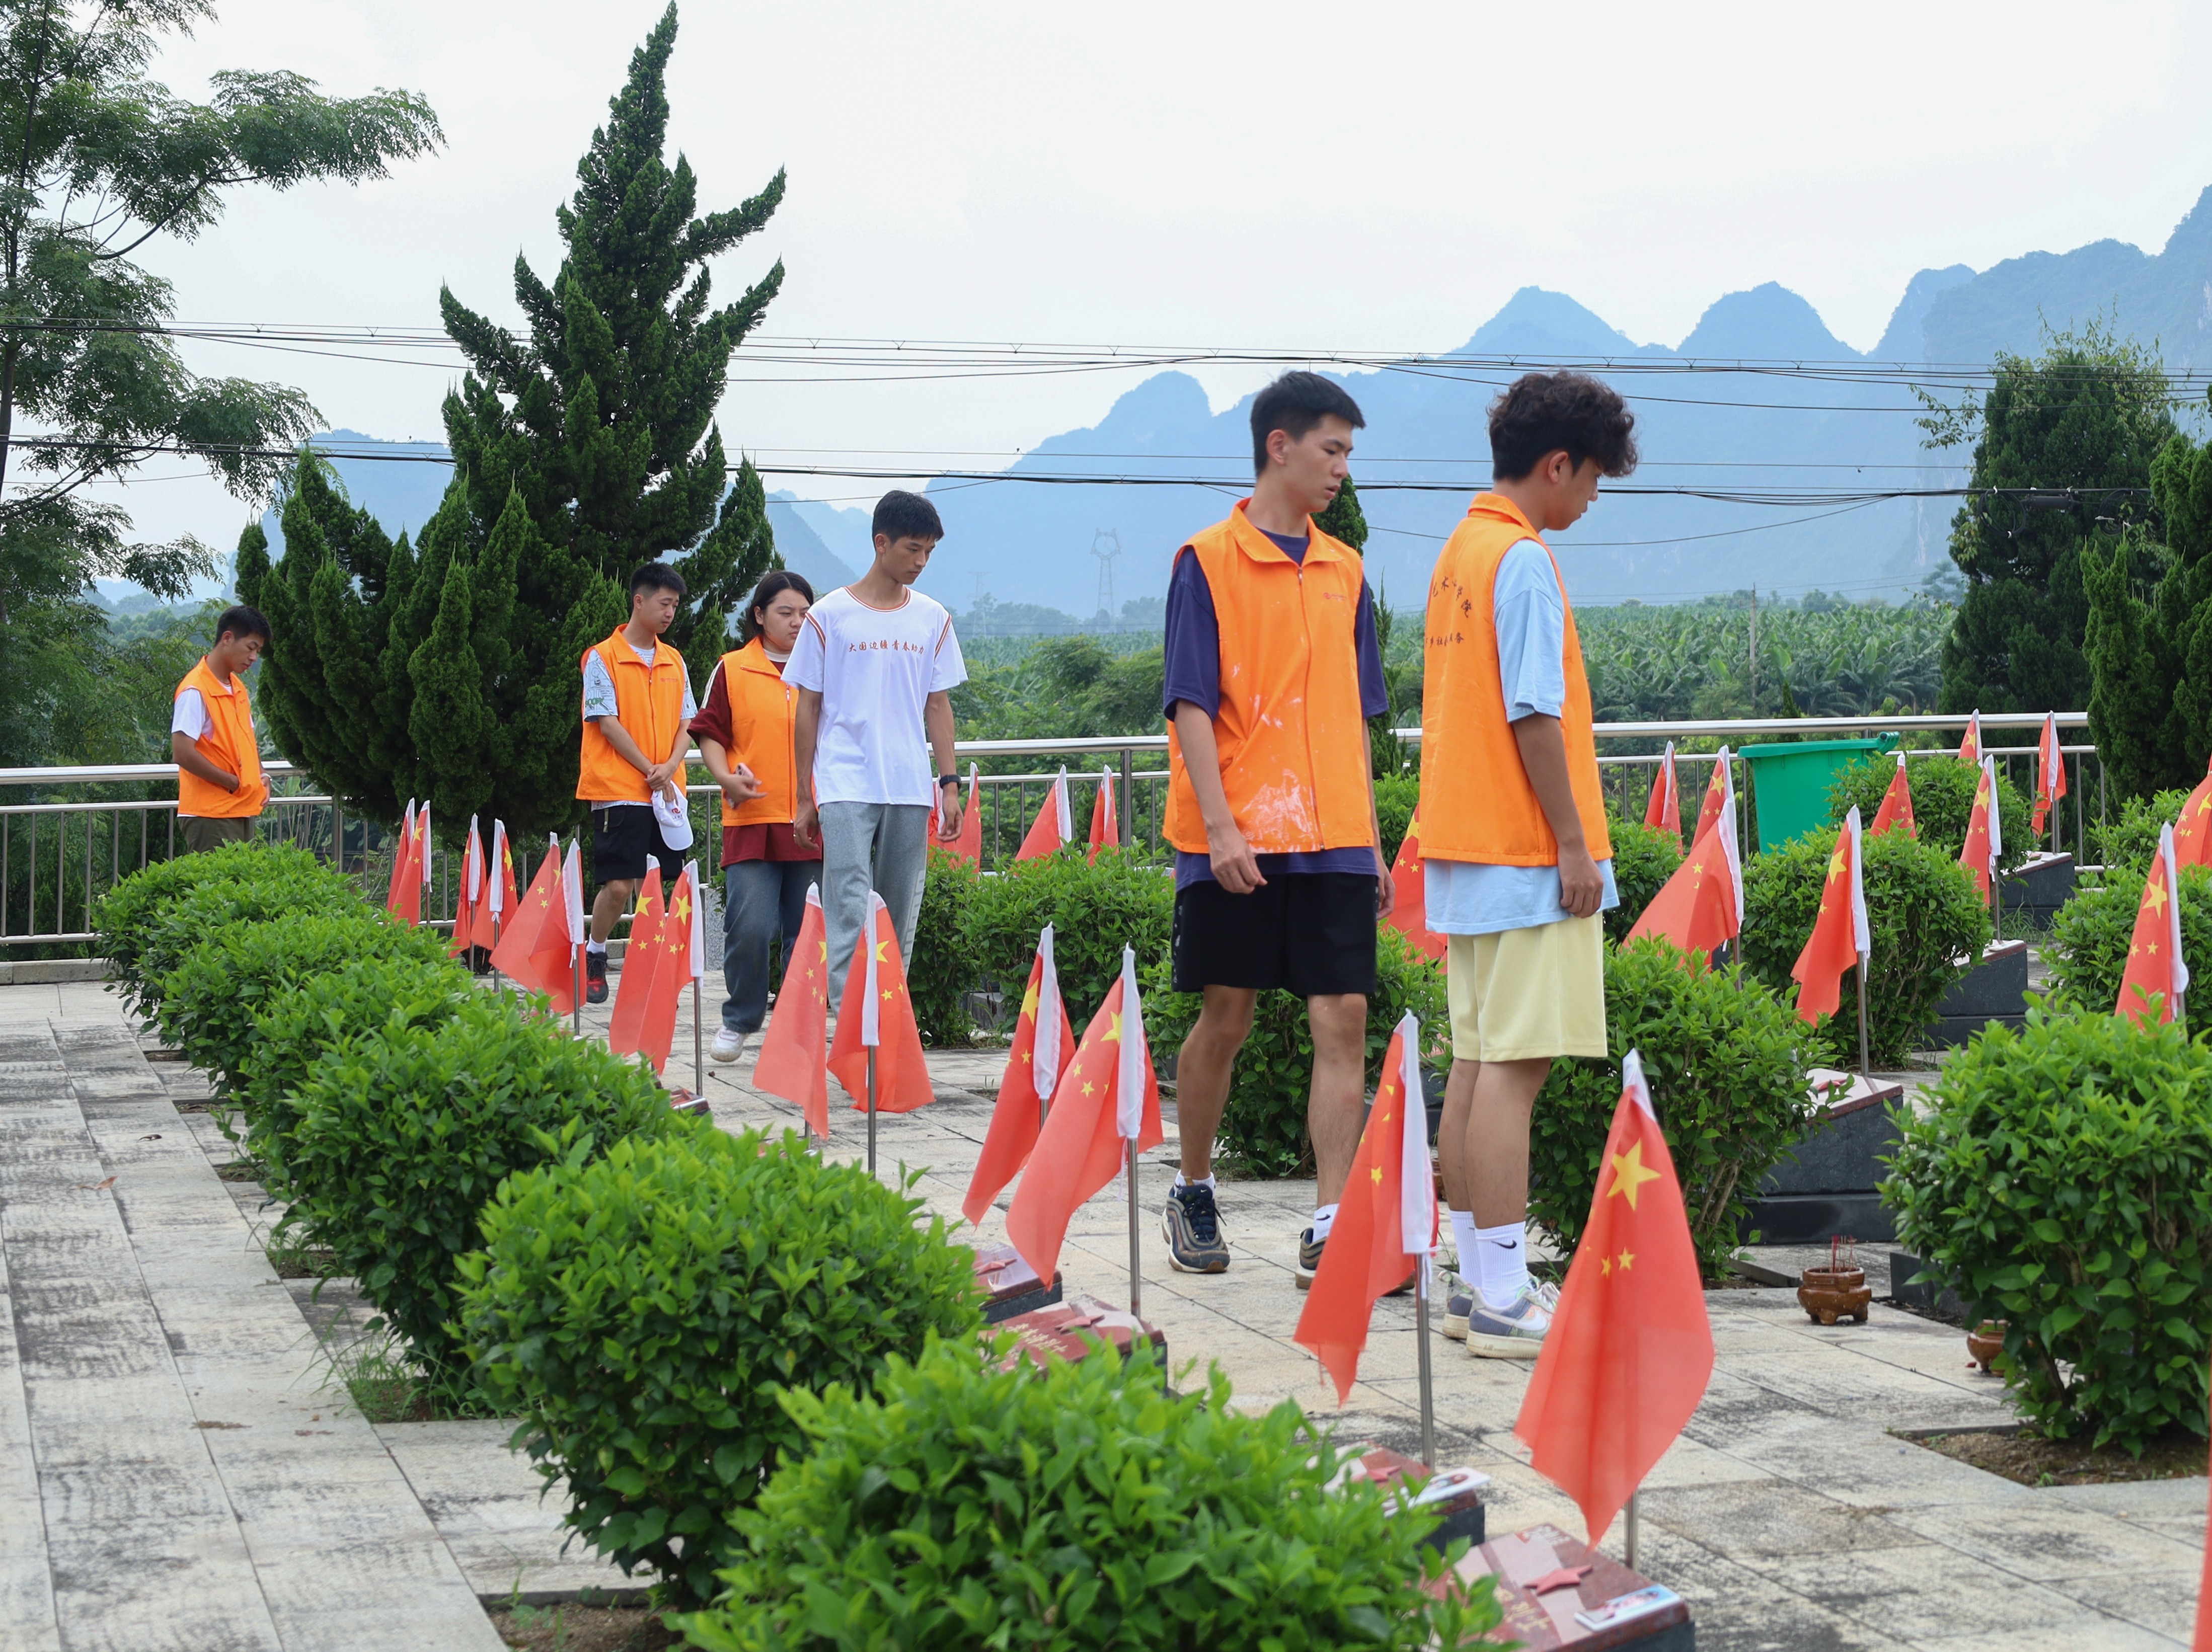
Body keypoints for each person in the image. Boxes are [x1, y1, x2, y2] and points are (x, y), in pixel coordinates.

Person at [1158, 371, 1392, 1286]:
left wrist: (1370, 838)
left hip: (1333, 831)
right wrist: (1220, 828)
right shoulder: (1205, 559)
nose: (1341, 469)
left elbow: (1356, 715)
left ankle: (1332, 1219)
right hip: (1238, 832)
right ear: (1279, 445)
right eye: (1331, 450)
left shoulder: (1345, 569)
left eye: (1348, 453)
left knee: (1343, 1014)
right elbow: (1188, 702)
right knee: (1228, 1015)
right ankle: (1193, 1186)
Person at [1421, 371, 1638, 1357]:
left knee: (1476, 1065)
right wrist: (1572, 844)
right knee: (1515, 1071)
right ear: (1557, 464)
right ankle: (1506, 1293)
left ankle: (1476, 1280)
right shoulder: (1521, 559)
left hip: (1466, 850)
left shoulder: (1459, 551)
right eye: (1591, 479)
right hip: (1523, 853)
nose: (1590, 499)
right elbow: (1534, 713)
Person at [787, 490, 965, 1006]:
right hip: (844, 779)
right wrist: (805, 795)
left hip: (908, 783)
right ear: (881, 542)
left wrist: (949, 786)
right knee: (847, 902)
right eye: (913, 548)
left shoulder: (932, 617)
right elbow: (808, 708)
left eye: (929, 551)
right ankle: (848, 1026)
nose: (921, 561)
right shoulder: (829, 615)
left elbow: (938, 705)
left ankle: (887, 1021)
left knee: (896, 910)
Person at [690, 570, 821, 1063]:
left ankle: (797, 1028)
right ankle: (740, 1019)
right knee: (750, 926)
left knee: (806, 933)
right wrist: (726, 779)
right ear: (760, 615)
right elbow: (710, 732)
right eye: (786, 612)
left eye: (805, 613)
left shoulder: (824, 667)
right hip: (752, 818)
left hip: (813, 820)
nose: (797, 621)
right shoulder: (732, 668)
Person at [579, 563, 697, 1005]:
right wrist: (652, 768)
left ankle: (651, 966)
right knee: (618, 884)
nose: (670, 613)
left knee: (658, 884)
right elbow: (606, 723)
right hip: (619, 789)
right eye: (665, 604)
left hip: (667, 793)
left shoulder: (674, 659)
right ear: (639, 601)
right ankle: (595, 952)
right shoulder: (602, 657)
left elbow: (689, 721)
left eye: (675, 606)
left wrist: (671, 766)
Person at [171, 605, 272, 853]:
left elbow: (246, 740)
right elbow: (182, 753)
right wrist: (232, 783)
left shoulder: (237, 687)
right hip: (211, 815)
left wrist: (261, 776)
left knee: (240, 878)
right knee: (219, 879)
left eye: (258, 651)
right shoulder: (195, 689)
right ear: (227, 638)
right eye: (250, 648)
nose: (254, 658)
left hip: (239, 808)